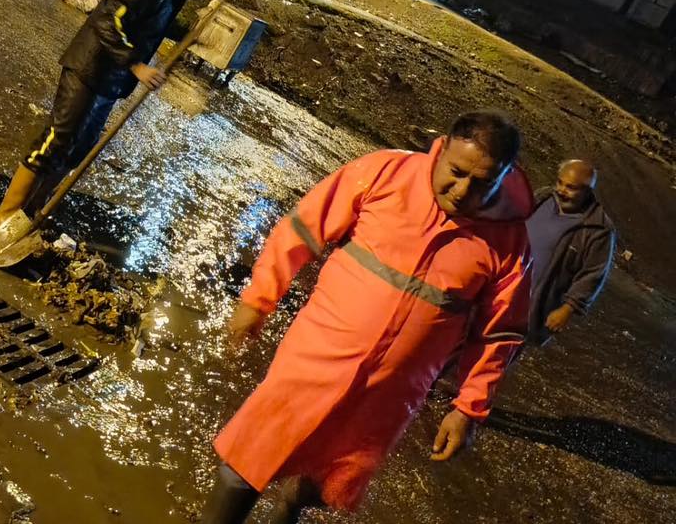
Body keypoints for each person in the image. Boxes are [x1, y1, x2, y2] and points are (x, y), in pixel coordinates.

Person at [201, 111, 534, 524]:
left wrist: (469, 408)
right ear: (442, 148)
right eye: (457, 172)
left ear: (503, 177)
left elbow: (499, 332)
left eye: (483, 182)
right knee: (251, 454)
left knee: (321, 478)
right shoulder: (384, 172)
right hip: (319, 354)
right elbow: (303, 228)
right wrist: (259, 298)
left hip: (390, 391)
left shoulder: (509, 240)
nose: (464, 189)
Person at [0, 0, 233, 226]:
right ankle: (5, 214)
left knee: (78, 150)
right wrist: (136, 65)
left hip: (110, 80)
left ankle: (31, 211)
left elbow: (153, 21)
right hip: (88, 68)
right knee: (57, 139)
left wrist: (194, 32)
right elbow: (108, 20)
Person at [526, 159, 615, 346]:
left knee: (501, 355)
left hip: (536, 304)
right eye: (559, 182)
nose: (560, 190)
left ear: (587, 192)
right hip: (503, 288)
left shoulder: (598, 229)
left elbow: (593, 274)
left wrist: (568, 308)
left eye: (570, 187)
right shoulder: (543, 198)